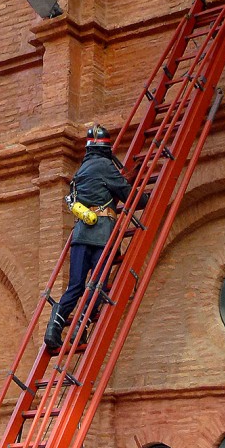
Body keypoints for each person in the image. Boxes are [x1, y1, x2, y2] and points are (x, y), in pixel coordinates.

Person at [44, 123, 134, 348]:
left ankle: (55, 324)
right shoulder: (105, 166)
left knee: (75, 285)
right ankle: (80, 327)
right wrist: (146, 198)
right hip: (102, 234)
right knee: (98, 284)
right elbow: (127, 194)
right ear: (106, 147)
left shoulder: (80, 171)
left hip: (80, 234)